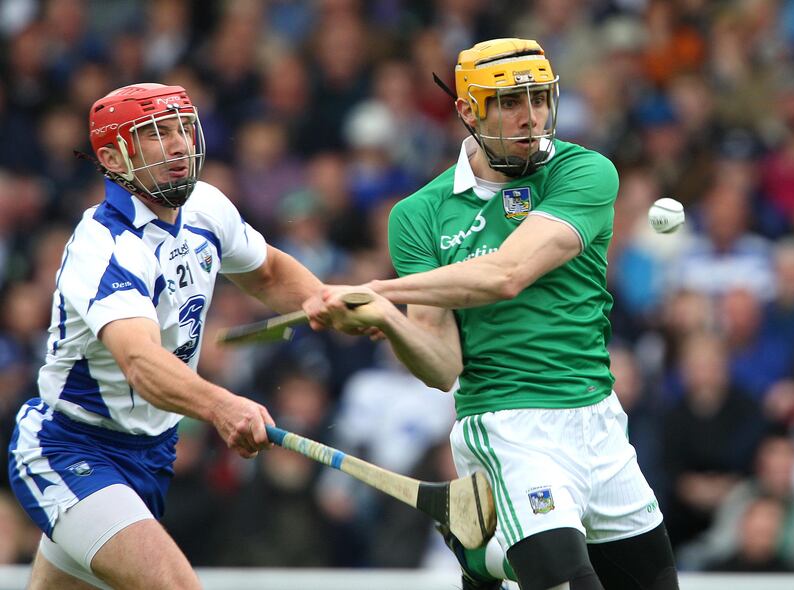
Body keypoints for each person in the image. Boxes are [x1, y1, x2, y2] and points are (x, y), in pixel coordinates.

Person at [304, 39, 679, 590]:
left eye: (540, 99)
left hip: (599, 420)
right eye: (509, 103)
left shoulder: (586, 171)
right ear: (467, 111)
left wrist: (379, 287)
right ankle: (495, 555)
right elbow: (441, 367)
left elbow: (508, 273)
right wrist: (389, 319)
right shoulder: (419, 215)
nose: (531, 118)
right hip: (508, 427)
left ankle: (488, 555)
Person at [7, 83, 322, 589]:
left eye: (181, 128)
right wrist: (223, 407)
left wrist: (325, 301)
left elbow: (266, 274)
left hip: (151, 453)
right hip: (72, 448)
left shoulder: (205, 207)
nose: (178, 144)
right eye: (156, 134)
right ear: (112, 157)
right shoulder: (106, 246)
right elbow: (141, 363)